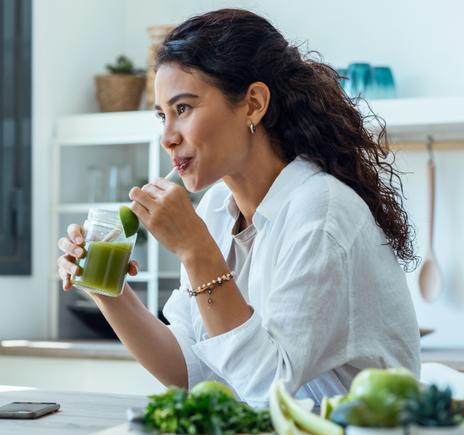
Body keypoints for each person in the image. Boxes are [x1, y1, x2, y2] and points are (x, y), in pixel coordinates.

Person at [57, 8, 420, 408]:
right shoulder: (215, 209)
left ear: (253, 104)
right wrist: (107, 289)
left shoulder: (321, 214)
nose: (167, 137)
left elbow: (271, 391)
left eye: (183, 109)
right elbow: (190, 371)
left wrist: (197, 252)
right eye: (162, 115)